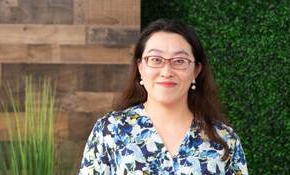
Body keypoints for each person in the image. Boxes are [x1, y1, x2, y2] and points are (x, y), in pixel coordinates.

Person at [79, 19, 248, 175]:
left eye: (179, 61)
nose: (166, 71)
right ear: (140, 67)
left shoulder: (224, 139)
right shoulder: (110, 130)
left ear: (196, 70)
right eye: (155, 59)